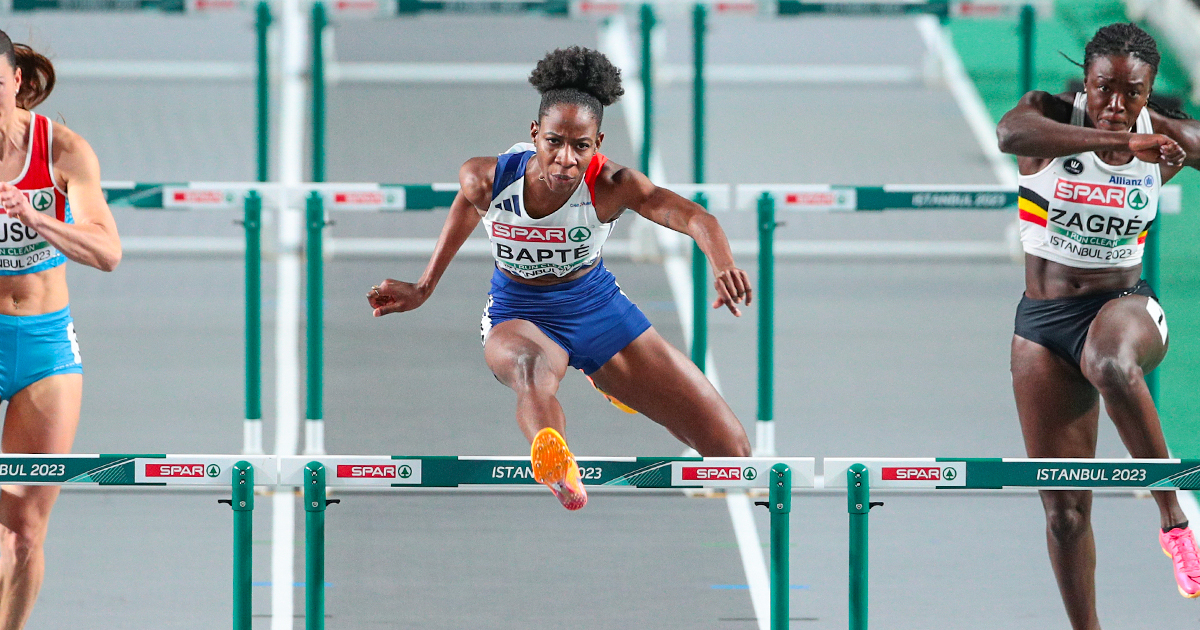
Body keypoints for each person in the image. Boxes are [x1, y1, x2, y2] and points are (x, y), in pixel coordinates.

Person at [368, 46, 752, 510]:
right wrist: (423, 287)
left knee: (734, 458)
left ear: (598, 143)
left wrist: (723, 263)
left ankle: (606, 377)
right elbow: (468, 208)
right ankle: (558, 465)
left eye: (581, 146)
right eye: (554, 142)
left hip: (596, 308)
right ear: (535, 135)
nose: (566, 159)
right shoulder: (486, 178)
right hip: (519, 313)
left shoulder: (613, 185)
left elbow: (696, 218)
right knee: (532, 368)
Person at [997, 22, 1200, 625]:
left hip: (1128, 309)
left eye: (1132, 93)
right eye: (1105, 89)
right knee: (1064, 516)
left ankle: (1176, 520)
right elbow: (1010, 133)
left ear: (1149, 88)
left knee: (1108, 361)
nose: (1117, 107)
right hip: (1042, 324)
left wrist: (1170, 141)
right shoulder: (1047, 116)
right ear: (1087, 81)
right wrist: (1102, 140)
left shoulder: (1158, 134)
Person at [0, 31, 121, 629]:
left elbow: (108, 252)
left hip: (45, 344)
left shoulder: (63, 149)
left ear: (16, 81)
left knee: (23, 535)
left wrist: (37, 217)